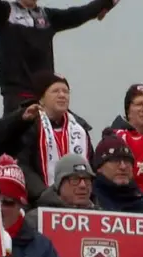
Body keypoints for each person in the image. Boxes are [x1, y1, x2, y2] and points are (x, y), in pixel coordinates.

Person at [0, 0, 118, 114]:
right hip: (16, 97)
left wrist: (106, 3)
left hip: (45, 96)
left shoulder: (48, 17)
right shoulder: (4, 12)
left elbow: (80, 14)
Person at [15, 73, 93, 204]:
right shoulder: (29, 126)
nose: (62, 95)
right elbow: (23, 165)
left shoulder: (80, 129)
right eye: (55, 91)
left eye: (66, 92)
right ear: (41, 99)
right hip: (39, 202)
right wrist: (45, 195)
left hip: (79, 202)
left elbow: (91, 167)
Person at [27, 153, 98, 229]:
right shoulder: (36, 220)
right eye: (75, 179)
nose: (83, 185)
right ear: (59, 184)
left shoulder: (103, 220)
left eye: (87, 179)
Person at [90, 134, 143, 214]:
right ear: (99, 168)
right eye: (115, 160)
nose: (123, 167)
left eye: (127, 161)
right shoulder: (89, 200)